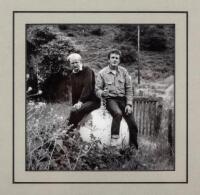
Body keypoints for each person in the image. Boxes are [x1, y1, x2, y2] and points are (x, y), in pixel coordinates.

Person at [95, 49, 138, 149]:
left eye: (117, 58)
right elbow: (97, 89)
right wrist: (102, 93)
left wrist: (129, 104)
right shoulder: (102, 73)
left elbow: (129, 89)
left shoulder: (124, 71)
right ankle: (114, 141)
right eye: (112, 58)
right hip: (110, 100)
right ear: (108, 60)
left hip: (123, 100)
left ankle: (133, 148)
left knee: (133, 123)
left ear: (119, 60)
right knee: (118, 113)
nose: (114, 60)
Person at [66, 53, 100, 129]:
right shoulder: (72, 75)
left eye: (76, 62)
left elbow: (87, 87)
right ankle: (69, 132)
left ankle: (68, 134)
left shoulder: (87, 70)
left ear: (80, 62)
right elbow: (74, 92)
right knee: (72, 112)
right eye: (72, 63)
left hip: (93, 100)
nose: (75, 65)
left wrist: (80, 102)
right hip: (83, 102)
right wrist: (74, 104)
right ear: (70, 64)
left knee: (75, 112)